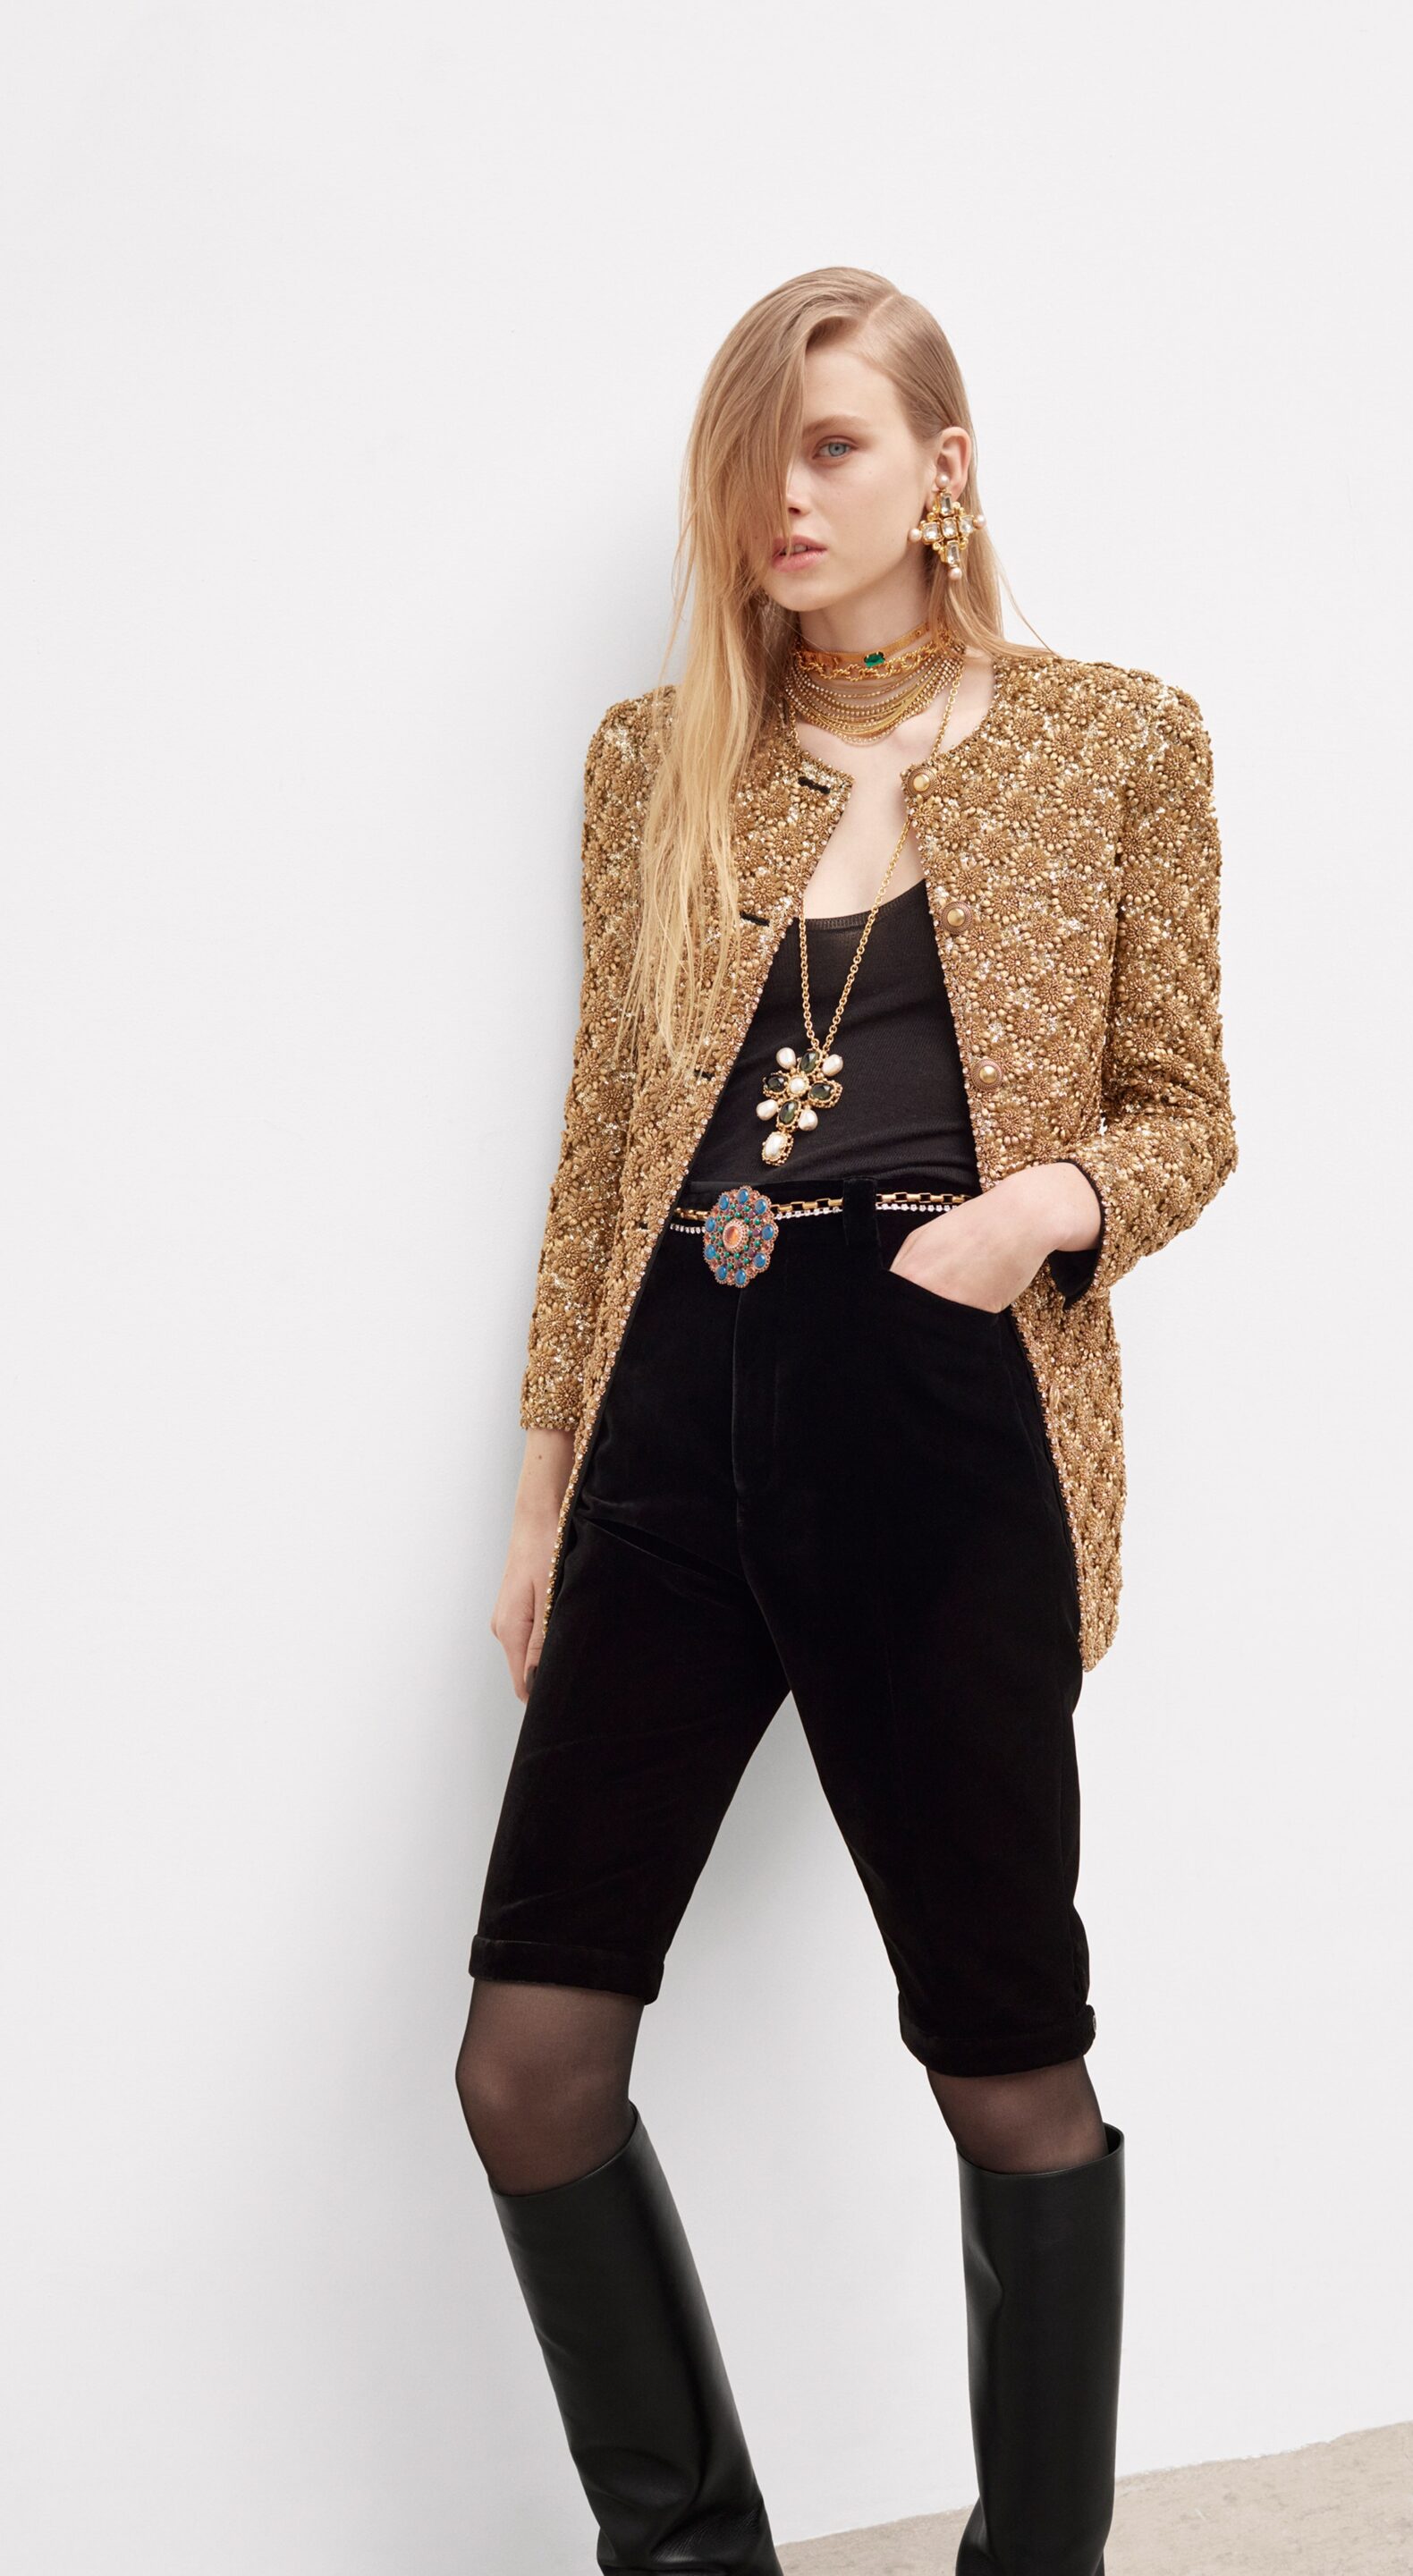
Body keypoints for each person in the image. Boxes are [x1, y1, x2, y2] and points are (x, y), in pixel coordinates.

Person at [454, 265, 1238, 2576]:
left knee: (1005, 2063)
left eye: (832, 448)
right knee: (528, 2063)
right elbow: (604, 1150)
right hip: (673, 1416)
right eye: (752, 464)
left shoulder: (1116, 739)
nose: (782, 502)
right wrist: (544, 1493)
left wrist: (1027, 1224)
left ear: (941, 468)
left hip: (941, 1412)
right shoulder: (658, 761)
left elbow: (1187, 1110)